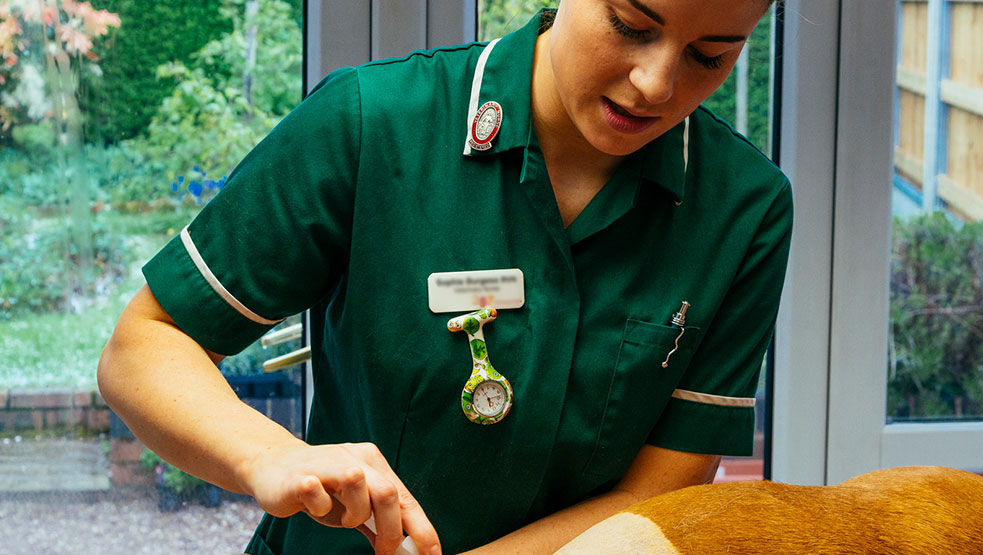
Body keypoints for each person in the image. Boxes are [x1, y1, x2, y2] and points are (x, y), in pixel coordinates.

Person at [97, 0, 790, 553]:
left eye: (710, 56)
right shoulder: (374, 123)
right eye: (631, 25)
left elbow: (659, 494)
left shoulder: (744, 207)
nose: (657, 84)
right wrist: (267, 454)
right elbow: (143, 347)